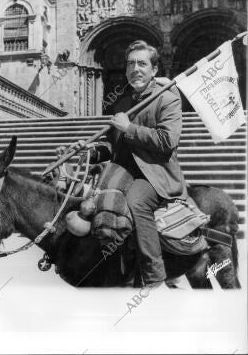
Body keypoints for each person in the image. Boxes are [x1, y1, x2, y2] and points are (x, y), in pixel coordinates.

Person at [76, 40, 188, 289]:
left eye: (142, 63)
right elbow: (113, 146)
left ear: (154, 70)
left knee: (136, 201)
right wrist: (90, 152)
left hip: (156, 176)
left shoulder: (167, 99)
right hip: (123, 172)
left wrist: (129, 128)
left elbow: (167, 141)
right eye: (130, 64)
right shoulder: (123, 103)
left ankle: (155, 277)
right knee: (89, 199)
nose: (135, 69)